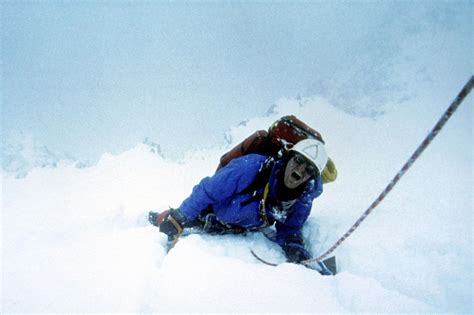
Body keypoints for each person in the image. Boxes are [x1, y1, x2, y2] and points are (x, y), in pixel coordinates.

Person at [149, 138, 328, 264]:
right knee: (167, 223)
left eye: (309, 169)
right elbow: (208, 190)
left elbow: (291, 227)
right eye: (298, 160)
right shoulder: (250, 167)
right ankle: (155, 219)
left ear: (312, 176)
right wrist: (180, 216)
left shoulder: (304, 196)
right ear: (289, 157)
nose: (301, 169)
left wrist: (294, 246)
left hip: (245, 224)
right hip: (212, 211)